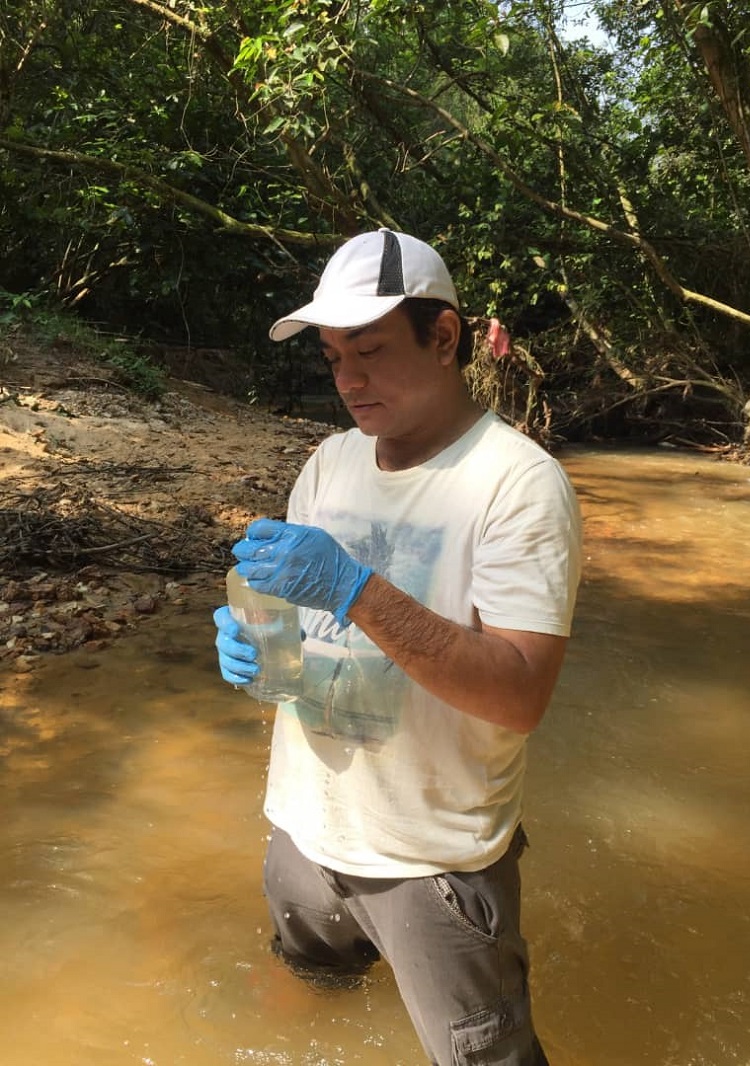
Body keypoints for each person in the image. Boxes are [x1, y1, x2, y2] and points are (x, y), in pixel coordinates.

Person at [213, 228, 582, 1065]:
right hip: (303, 832)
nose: (347, 379)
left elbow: (521, 695)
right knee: (309, 1000)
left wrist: (356, 590)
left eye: (371, 351)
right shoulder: (329, 460)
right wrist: (249, 641)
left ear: (445, 338)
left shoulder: (518, 483)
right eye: (334, 354)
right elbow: (291, 619)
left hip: (434, 865)